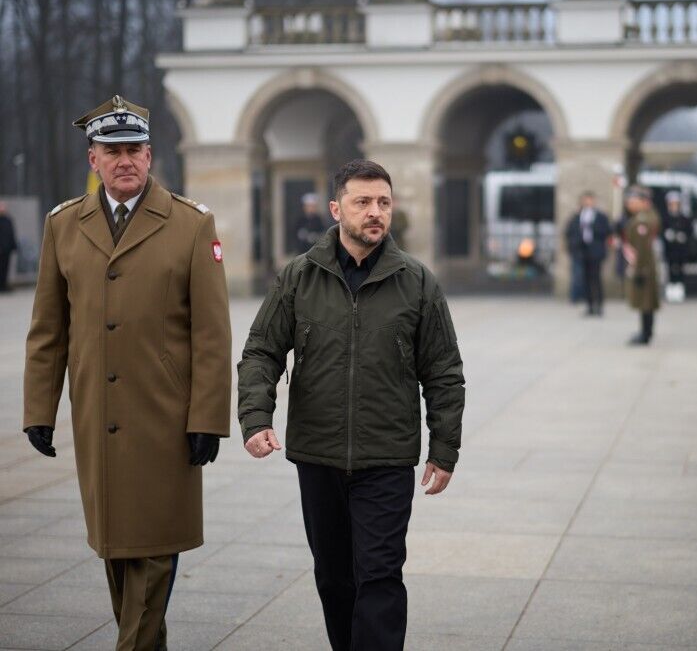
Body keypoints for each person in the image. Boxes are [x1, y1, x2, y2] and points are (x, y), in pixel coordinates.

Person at [22, 95, 231, 651]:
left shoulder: (191, 223)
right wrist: (39, 411)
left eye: (134, 150)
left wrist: (208, 418)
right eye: (112, 151)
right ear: (93, 159)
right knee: (118, 549)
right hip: (99, 416)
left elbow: (212, 334)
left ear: (150, 156)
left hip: (166, 419)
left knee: (155, 550)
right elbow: (48, 330)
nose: (125, 161)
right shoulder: (64, 225)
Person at [238, 159, 464, 651]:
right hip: (317, 455)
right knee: (334, 577)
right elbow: (261, 351)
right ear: (336, 208)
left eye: (383, 202)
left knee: (380, 575)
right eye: (362, 202)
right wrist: (256, 419)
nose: (375, 212)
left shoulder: (417, 282)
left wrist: (444, 448)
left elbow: (444, 371)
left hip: (386, 457)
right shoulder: (299, 276)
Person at [622, 185, 660, 344]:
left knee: (645, 301)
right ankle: (646, 331)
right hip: (646, 267)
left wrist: (639, 270)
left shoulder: (642, 221)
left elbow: (642, 249)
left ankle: (645, 334)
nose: (629, 204)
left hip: (644, 267)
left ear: (643, 202)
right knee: (646, 301)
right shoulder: (644, 217)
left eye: (632, 200)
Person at [565, 191, 610, 315]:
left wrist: (590, 227)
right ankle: (589, 306)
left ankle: (599, 305)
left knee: (596, 279)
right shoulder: (577, 217)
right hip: (582, 251)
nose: (587, 202)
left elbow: (606, 231)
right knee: (585, 280)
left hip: (596, 252)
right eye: (585, 200)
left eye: (589, 200)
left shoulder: (600, 216)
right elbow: (570, 232)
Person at [661, 191, 693, 303]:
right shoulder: (665, 218)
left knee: (680, 269)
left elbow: (690, 232)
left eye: (676, 204)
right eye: (672, 204)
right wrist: (666, 235)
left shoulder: (684, 218)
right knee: (670, 269)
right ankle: (671, 291)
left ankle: (679, 290)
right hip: (670, 250)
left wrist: (683, 236)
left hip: (680, 250)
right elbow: (661, 231)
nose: (674, 206)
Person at [0, 201, 17, 291]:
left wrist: (14, 245)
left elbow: (11, 233)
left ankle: (4, 285)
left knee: (6, 268)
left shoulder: (8, 220)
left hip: (7, 249)